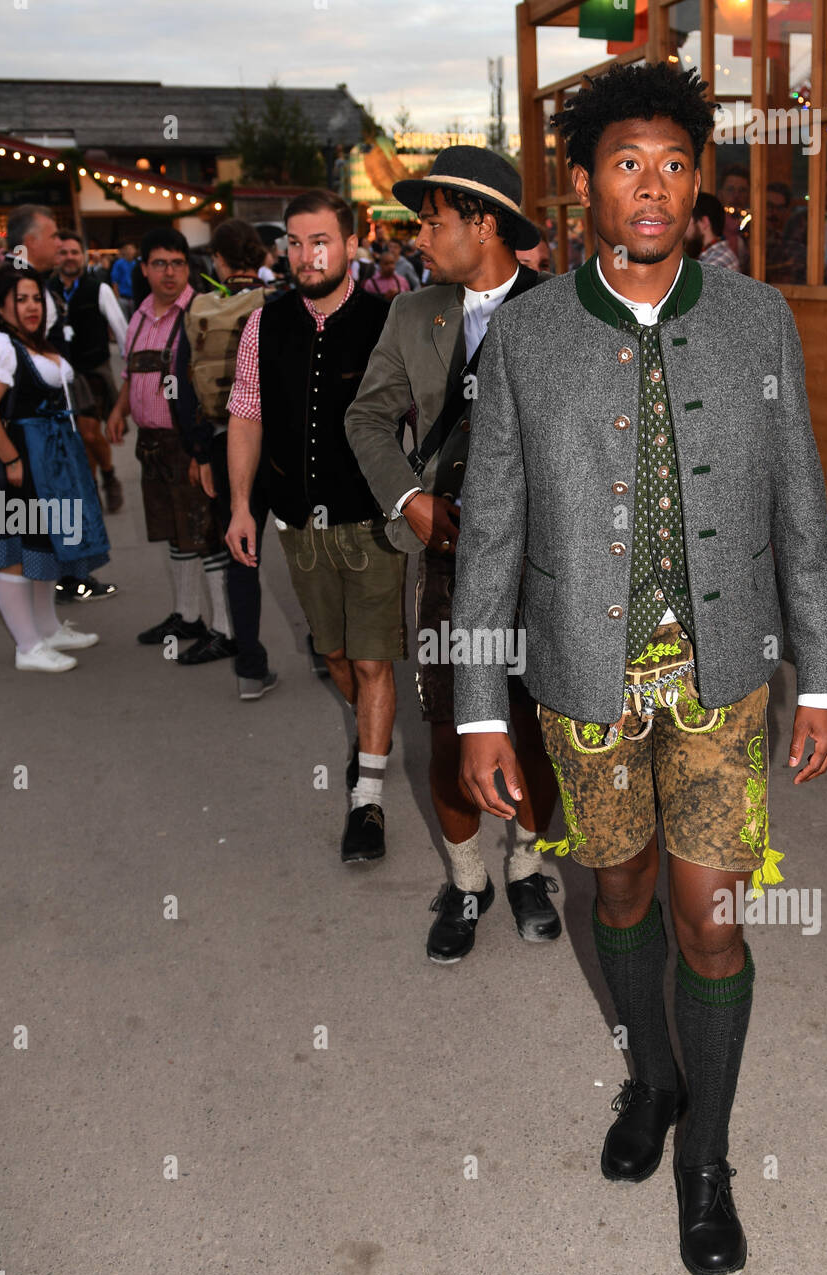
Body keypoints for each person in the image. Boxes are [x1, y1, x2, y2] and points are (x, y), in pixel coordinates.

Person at [452, 61, 827, 1275]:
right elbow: (491, 531)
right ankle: (651, 1076)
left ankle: (707, 1159)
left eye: (675, 166)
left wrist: (825, 679)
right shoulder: (525, 332)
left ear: (696, 189)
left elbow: (799, 503)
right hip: (582, 682)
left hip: (724, 681)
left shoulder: (757, 320)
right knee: (617, 897)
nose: (653, 186)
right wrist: (479, 705)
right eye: (626, 162)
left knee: (711, 921)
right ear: (581, 186)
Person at [345, 145, 563, 961]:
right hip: (449, 558)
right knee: (448, 729)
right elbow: (367, 419)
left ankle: (527, 865)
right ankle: (468, 879)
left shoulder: (567, 311)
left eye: (432, 222)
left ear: (483, 223)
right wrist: (410, 497)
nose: (420, 237)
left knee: (538, 726)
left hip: (546, 565)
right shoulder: (412, 314)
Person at [226, 190, 404, 858]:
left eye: (320, 241)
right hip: (297, 524)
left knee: (370, 658)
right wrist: (243, 507)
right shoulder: (262, 324)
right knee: (332, 652)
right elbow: (246, 413)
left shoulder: (390, 321)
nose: (306, 256)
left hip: (372, 523)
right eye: (295, 244)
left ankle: (368, 802)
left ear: (351, 244)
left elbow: (420, 417)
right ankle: (369, 733)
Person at [106, 226, 235, 664]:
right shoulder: (140, 314)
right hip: (152, 445)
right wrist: (119, 409)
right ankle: (187, 615)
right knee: (174, 534)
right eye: (159, 263)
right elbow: (131, 372)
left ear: (188, 267)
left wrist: (203, 450)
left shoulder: (199, 313)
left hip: (189, 442)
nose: (169, 272)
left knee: (207, 535)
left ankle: (225, 628)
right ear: (143, 269)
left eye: (178, 263)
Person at [0, 264, 109, 670]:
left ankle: (48, 629)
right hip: (19, 461)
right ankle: (27, 646)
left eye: (36, 297)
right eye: (20, 299)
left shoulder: (34, 343)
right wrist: (12, 459)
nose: (32, 306)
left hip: (53, 460)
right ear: (0, 305)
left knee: (47, 548)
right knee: (15, 552)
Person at [185, 217, 282, 698]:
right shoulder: (280, 303)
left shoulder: (200, 308)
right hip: (280, 444)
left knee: (241, 554)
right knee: (309, 553)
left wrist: (201, 452)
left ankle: (250, 667)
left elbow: (187, 384)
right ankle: (327, 651)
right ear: (262, 255)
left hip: (227, 444)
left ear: (219, 261)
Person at [48, 229, 126, 514]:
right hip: (61, 375)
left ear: (82, 256)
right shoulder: (47, 289)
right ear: (56, 257)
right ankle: (92, 485)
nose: (69, 258)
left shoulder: (99, 288)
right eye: (63, 252)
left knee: (89, 432)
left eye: (74, 252)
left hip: (93, 371)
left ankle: (108, 475)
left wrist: (134, 374)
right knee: (80, 436)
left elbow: (122, 330)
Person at [684, 191, 740, 270]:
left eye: (687, 220)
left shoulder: (717, 262)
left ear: (704, 222)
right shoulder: (715, 255)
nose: (684, 230)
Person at [110, 243, 137, 318]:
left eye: (131, 249)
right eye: (128, 249)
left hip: (134, 297)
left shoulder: (136, 264)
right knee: (123, 319)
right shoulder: (119, 263)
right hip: (122, 297)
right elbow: (115, 281)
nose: (130, 251)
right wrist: (117, 297)